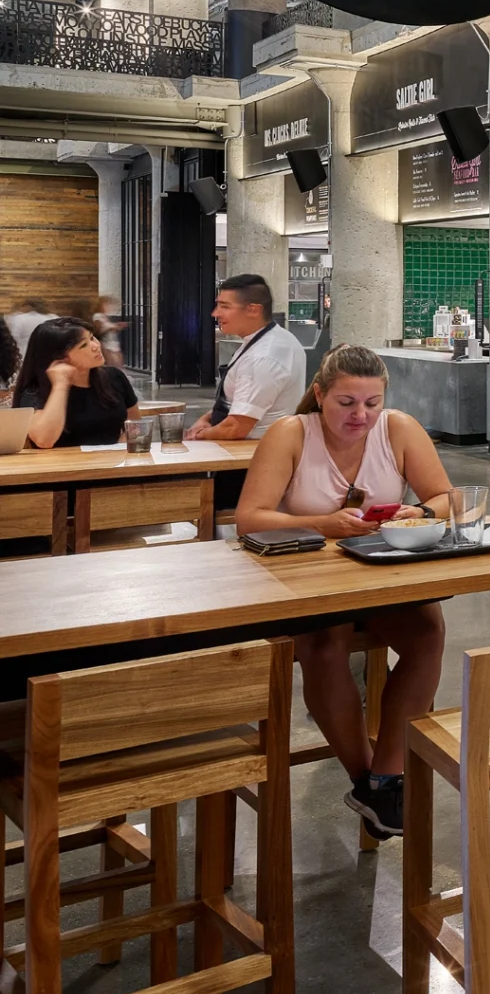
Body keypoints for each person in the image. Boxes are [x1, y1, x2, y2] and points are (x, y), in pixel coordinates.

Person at [233, 344, 454, 840]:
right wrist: (324, 524)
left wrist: (419, 512)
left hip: (377, 569)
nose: (361, 416)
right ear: (320, 395)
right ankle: (365, 778)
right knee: (324, 644)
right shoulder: (292, 433)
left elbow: (446, 497)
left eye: (372, 403)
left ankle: (386, 776)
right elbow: (250, 518)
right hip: (305, 574)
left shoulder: (399, 429)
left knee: (427, 633)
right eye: (346, 403)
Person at [186, 275, 301, 442]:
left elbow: (236, 428)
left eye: (225, 306)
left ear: (253, 310)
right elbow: (239, 402)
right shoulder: (270, 339)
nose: (215, 313)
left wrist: (198, 435)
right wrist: (207, 418)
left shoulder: (262, 357)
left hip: (251, 452)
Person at [12, 315, 139, 449]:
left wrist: (120, 446)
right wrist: (60, 385)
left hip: (111, 460)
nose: (96, 346)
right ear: (59, 358)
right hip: (61, 461)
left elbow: (134, 424)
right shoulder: (34, 391)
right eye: (84, 345)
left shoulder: (114, 377)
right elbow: (44, 440)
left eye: (92, 338)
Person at [90, 292, 125, 367]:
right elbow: (98, 331)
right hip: (106, 343)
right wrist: (111, 327)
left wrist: (116, 326)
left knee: (118, 362)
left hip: (112, 341)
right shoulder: (97, 316)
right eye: (106, 305)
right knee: (112, 363)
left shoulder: (104, 316)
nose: (108, 307)